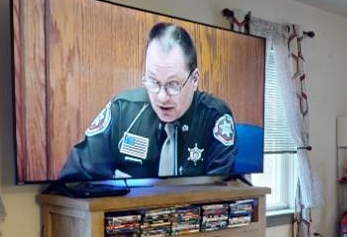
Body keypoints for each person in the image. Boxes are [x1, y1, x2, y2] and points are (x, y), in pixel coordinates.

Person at [58, 22, 236, 181]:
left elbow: (220, 195)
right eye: (153, 82)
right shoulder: (122, 110)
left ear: (195, 79)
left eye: (173, 85)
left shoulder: (214, 118)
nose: (161, 97)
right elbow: (74, 177)